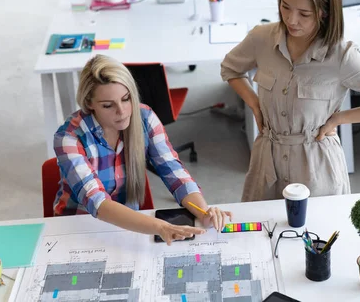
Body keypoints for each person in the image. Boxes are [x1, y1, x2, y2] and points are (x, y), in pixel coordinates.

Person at [221, 0, 360, 202]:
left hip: (315, 166)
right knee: (260, 231)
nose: (291, 20)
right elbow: (230, 69)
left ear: (324, 12)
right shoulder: (261, 38)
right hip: (267, 161)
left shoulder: (341, 55)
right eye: (285, 7)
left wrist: (339, 118)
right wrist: (253, 102)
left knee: (318, 237)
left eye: (304, 13)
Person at [53, 55, 232, 244]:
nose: (122, 112)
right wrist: (160, 226)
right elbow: (98, 203)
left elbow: (175, 173)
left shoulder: (144, 117)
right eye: (108, 105)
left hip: (131, 225)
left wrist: (203, 213)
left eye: (126, 99)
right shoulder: (69, 137)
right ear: (89, 103)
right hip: (78, 226)